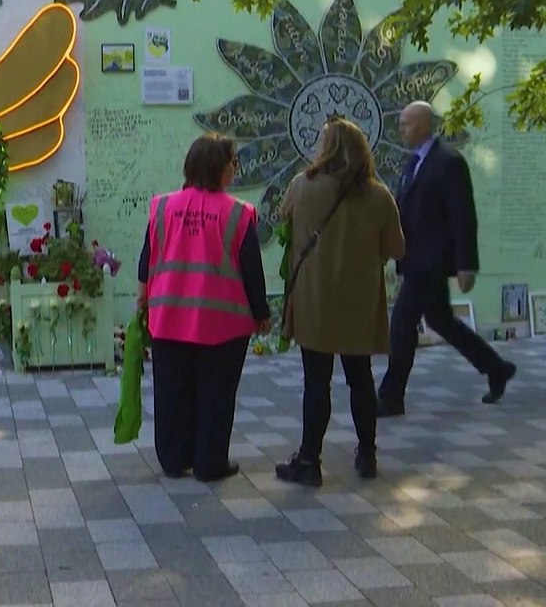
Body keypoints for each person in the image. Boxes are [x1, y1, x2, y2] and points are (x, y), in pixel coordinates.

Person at [273, 118, 406, 486]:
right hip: (359, 301)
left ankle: (309, 461)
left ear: (326, 147)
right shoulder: (379, 196)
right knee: (360, 379)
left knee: (316, 382)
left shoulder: (302, 186)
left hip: (314, 299)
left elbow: (283, 220)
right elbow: (397, 249)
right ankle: (367, 454)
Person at [137, 132, 271, 483]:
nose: (234, 169)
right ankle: (209, 463)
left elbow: (146, 259)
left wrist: (143, 301)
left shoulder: (162, 207)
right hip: (222, 322)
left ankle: (173, 459)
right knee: (216, 394)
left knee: (172, 391)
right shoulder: (238, 213)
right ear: (221, 169)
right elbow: (251, 270)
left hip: (168, 316)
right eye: (233, 163)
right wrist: (261, 313)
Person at [378, 101, 518, 416]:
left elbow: (463, 216)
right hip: (414, 257)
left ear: (424, 125)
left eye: (407, 124)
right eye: (401, 124)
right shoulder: (414, 162)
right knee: (440, 320)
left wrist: (466, 264)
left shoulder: (449, 162)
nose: (401, 130)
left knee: (401, 325)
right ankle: (496, 367)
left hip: (431, 261)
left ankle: (391, 397)